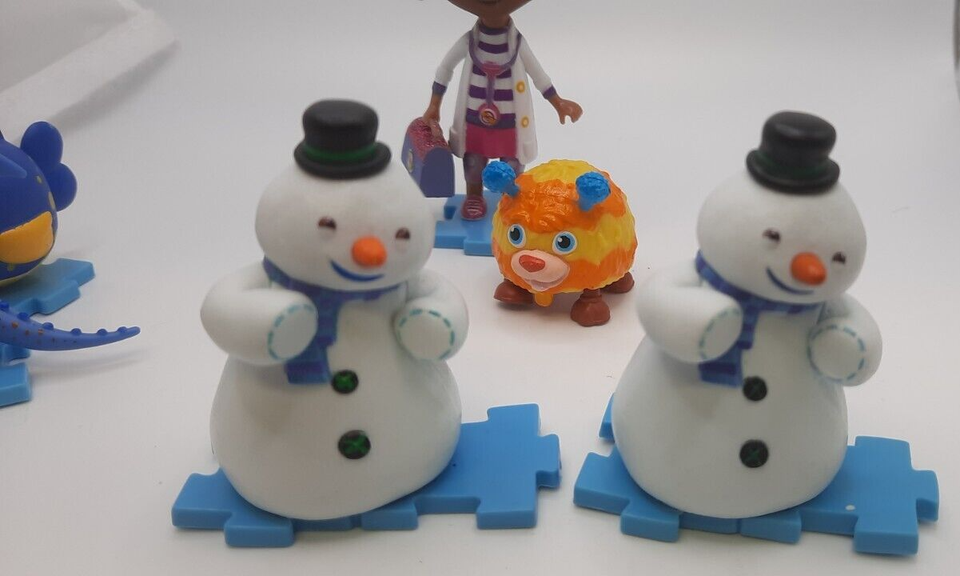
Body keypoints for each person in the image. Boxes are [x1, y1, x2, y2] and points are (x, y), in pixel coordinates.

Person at [423, 0, 583, 220]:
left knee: (512, 163)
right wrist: (434, 105)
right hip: (474, 121)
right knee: (473, 161)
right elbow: (444, 69)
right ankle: (474, 196)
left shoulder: (518, 44)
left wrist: (557, 102)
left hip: (511, 124)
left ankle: (511, 199)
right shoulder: (469, 42)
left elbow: (539, 76)